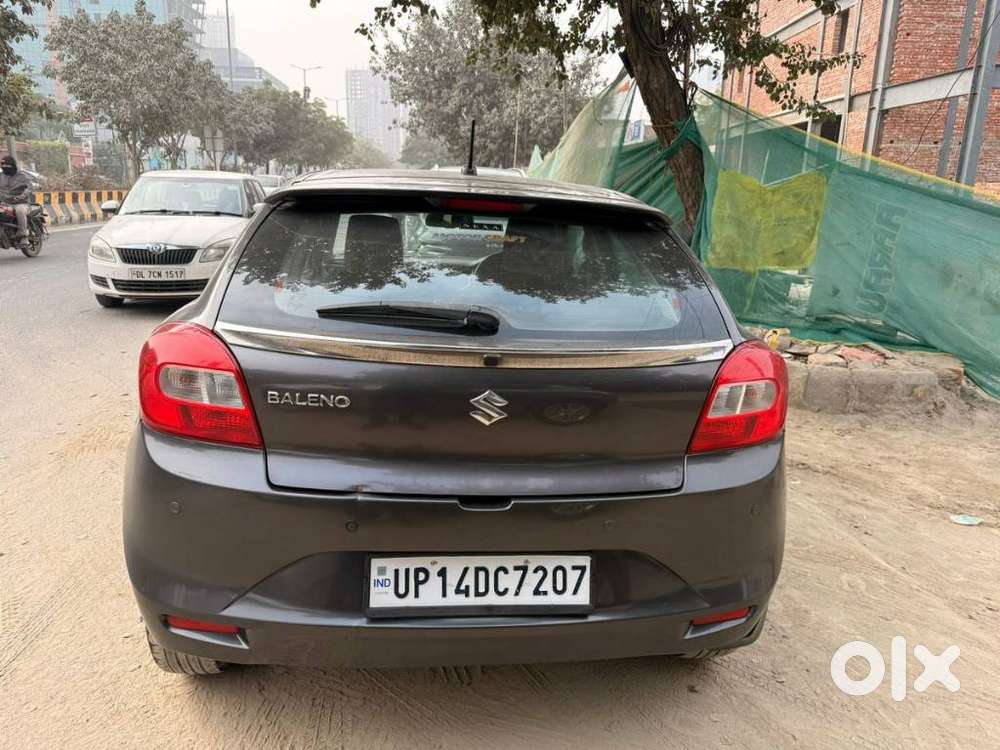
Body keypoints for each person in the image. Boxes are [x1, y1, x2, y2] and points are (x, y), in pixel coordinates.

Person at [0, 155, 32, 249]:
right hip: (4, 202)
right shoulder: (1, 176)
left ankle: (23, 236)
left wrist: (23, 195)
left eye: (7, 166)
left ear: (12, 166)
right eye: (3, 166)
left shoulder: (22, 175)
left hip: (20, 202)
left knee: (20, 211)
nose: (5, 168)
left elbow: (30, 186)